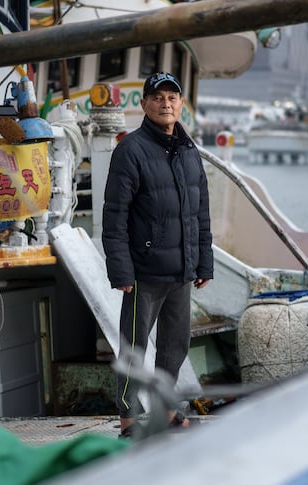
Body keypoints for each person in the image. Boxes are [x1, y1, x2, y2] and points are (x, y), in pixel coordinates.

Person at [102, 71, 213, 439]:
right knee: (133, 349)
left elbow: (200, 212)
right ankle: (129, 419)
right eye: (158, 98)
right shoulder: (130, 150)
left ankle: (166, 412)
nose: (166, 104)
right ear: (145, 104)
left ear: (181, 104)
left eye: (172, 98)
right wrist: (121, 271)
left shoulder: (189, 150)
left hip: (181, 271)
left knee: (174, 347)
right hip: (144, 273)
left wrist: (203, 262)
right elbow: (114, 214)